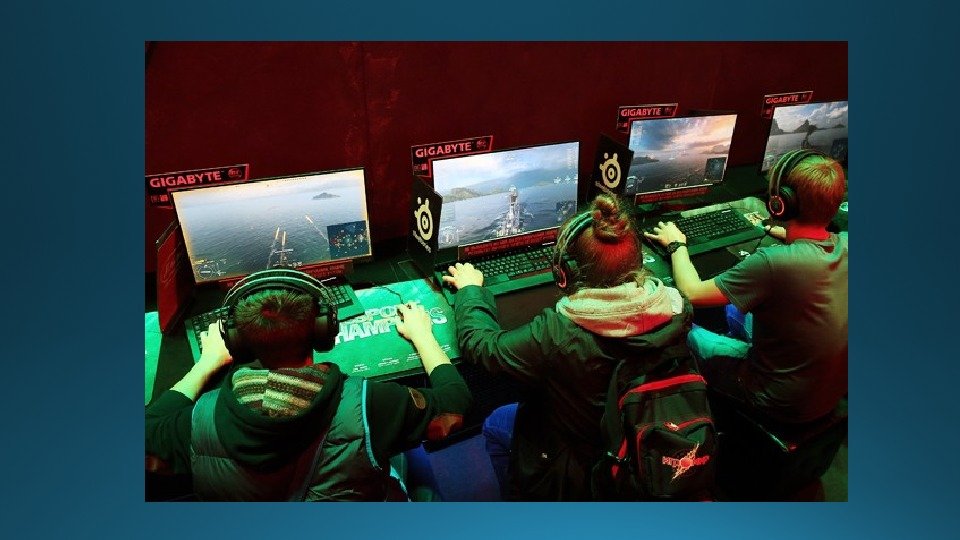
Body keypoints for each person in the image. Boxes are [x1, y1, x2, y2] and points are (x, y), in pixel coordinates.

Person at [443, 194, 694, 501]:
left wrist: (470, 290)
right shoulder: (678, 309)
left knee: (496, 422)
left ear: (563, 273)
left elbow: (482, 347)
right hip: (645, 443)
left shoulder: (559, 334)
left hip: (579, 466)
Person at [145, 272, 471, 501]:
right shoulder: (372, 405)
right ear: (323, 332)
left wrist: (205, 364)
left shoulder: (198, 421)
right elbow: (454, 407)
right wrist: (423, 335)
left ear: (236, 342)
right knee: (409, 453)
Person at [643, 150, 847, 424]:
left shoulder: (774, 263)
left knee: (683, 329)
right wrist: (788, 233)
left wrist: (676, 243)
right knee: (735, 308)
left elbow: (691, 292)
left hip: (776, 400)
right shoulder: (848, 243)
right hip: (826, 393)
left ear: (780, 203)